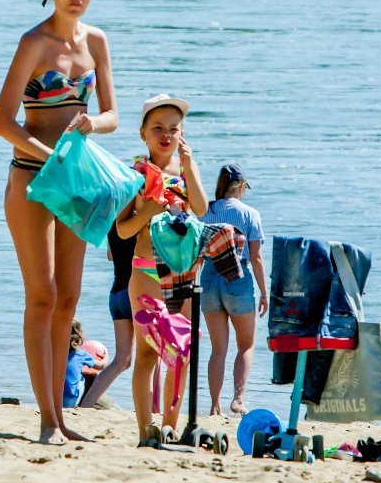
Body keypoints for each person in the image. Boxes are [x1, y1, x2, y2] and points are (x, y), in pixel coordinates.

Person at [0, 0, 120, 444]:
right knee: (41, 297)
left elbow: (111, 114)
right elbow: (3, 122)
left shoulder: (98, 42)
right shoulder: (33, 43)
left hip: (74, 180)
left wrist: (93, 123)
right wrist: (50, 155)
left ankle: (63, 419)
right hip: (31, 178)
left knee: (67, 298)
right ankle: (47, 420)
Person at [114, 94, 208, 447]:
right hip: (146, 271)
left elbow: (199, 209)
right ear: (143, 134)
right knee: (148, 353)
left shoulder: (186, 169)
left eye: (173, 128)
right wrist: (148, 211)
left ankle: (169, 426)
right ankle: (144, 431)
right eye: (158, 128)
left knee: (182, 353)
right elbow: (122, 229)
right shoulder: (134, 173)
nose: (166, 135)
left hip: (183, 274)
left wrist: (190, 164)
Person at [200, 163, 268, 415]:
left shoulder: (205, 211)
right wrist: (263, 292)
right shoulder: (250, 214)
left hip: (208, 276)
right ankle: (238, 398)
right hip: (237, 278)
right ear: (240, 187)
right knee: (246, 346)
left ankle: (214, 405)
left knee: (218, 349)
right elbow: (256, 257)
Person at [76, 224, 135, 408]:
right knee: (149, 358)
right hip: (135, 292)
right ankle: (153, 409)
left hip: (116, 295)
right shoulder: (139, 221)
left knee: (122, 360)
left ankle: (86, 404)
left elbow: (110, 255)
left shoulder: (114, 224)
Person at [63, 320, 104, 407]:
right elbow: (101, 366)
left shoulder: (51, 352)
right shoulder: (80, 353)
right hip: (69, 399)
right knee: (86, 376)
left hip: (51, 398)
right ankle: (83, 402)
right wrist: (106, 356)